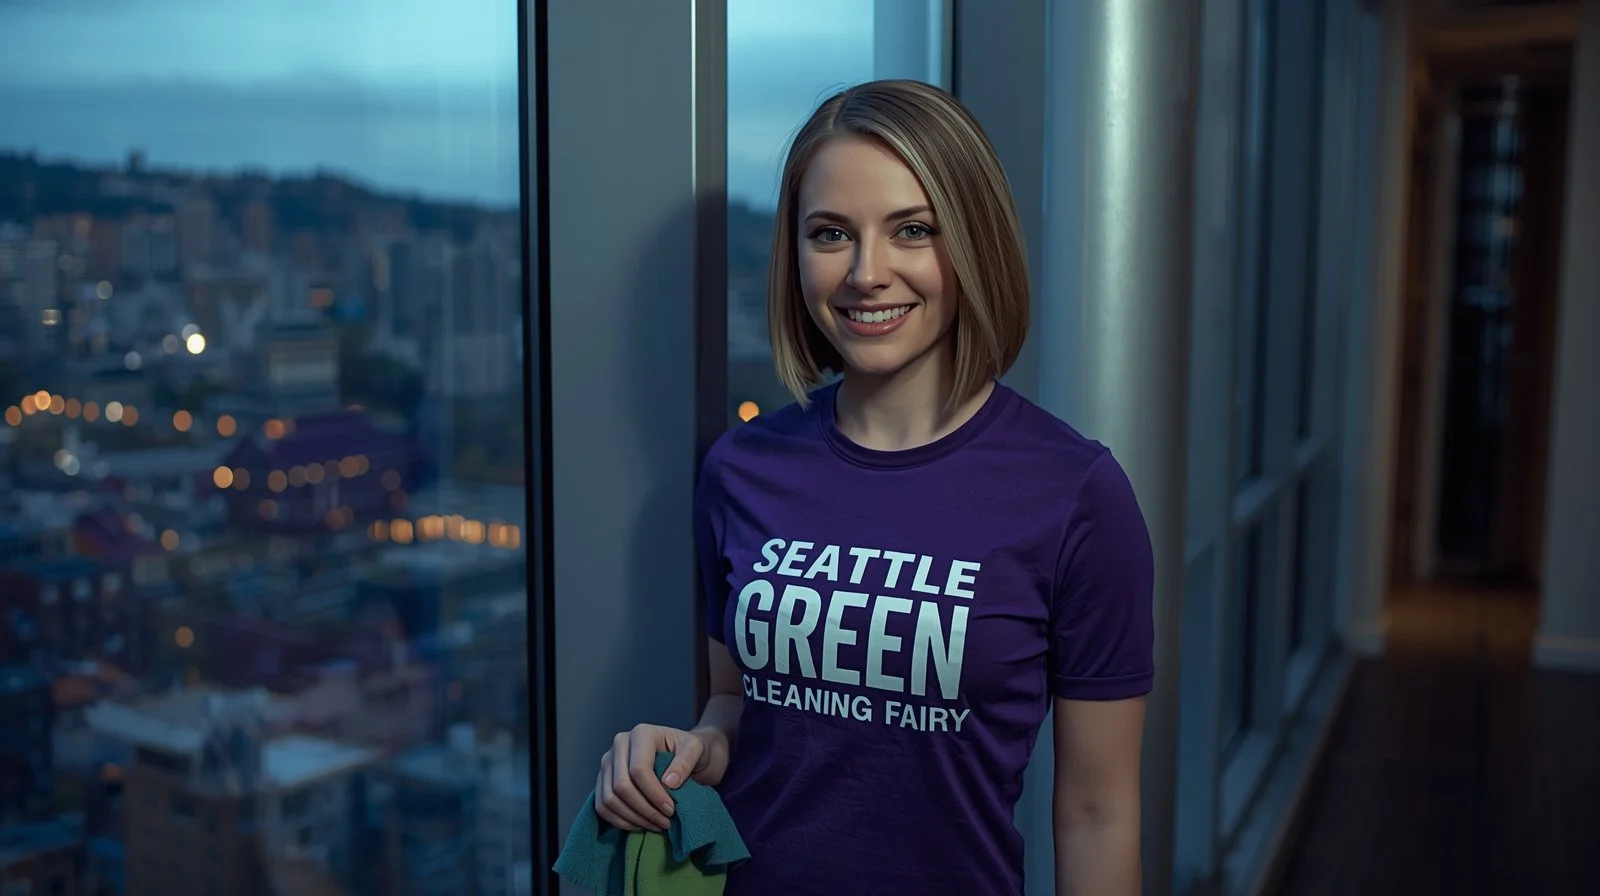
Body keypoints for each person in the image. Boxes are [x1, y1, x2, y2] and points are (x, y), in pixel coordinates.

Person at [594, 79, 1154, 896]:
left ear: (972, 241)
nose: (866, 272)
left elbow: (1098, 813)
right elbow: (737, 702)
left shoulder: (1076, 494)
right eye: (830, 234)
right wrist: (689, 750)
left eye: (912, 230)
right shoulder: (740, 470)